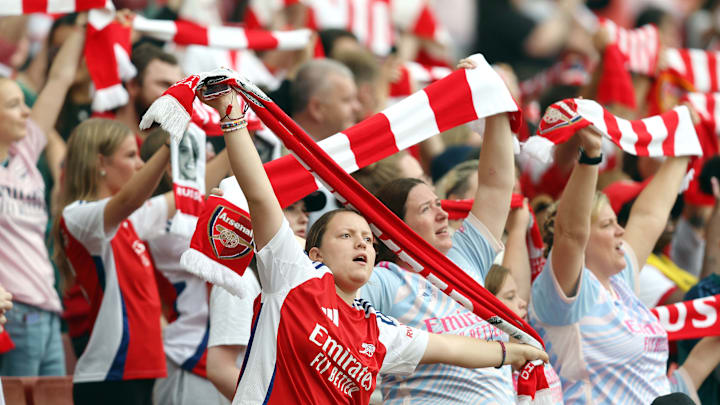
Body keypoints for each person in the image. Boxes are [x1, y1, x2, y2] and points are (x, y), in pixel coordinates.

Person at [196, 76, 547, 404]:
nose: (362, 244)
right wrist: (232, 118)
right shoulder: (294, 276)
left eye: (366, 237)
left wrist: (515, 352)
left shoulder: (377, 332)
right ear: (314, 252)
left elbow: (451, 349)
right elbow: (260, 197)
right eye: (347, 235)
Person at [358, 59, 523, 403]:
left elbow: (495, 186)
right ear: (395, 231)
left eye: (438, 204)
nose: (442, 214)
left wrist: (493, 105)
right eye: (425, 209)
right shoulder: (382, 280)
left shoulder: (465, 259)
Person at [530, 121, 720, 404]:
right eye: (607, 224)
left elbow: (648, 216)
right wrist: (591, 156)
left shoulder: (620, 284)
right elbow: (569, 233)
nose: (621, 231)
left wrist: (684, 139)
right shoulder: (566, 295)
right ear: (584, 239)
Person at [53, 118, 176, 405]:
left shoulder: (129, 219)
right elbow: (129, 200)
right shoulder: (78, 215)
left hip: (137, 371)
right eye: (131, 155)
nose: (140, 165)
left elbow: (192, 193)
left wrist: (235, 127)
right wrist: (171, 144)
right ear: (100, 163)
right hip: (110, 375)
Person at [0, 21, 85, 377]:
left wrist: (84, 23)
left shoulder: (25, 152)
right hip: (12, 310)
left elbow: (60, 79)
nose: (26, 112)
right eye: (14, 105)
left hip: (49, 309)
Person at [485, 264, 564, 404]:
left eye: (517, 295)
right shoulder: (487, 377)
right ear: (485, 308)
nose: (522, 303)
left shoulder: (536, 360)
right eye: (510, 297)